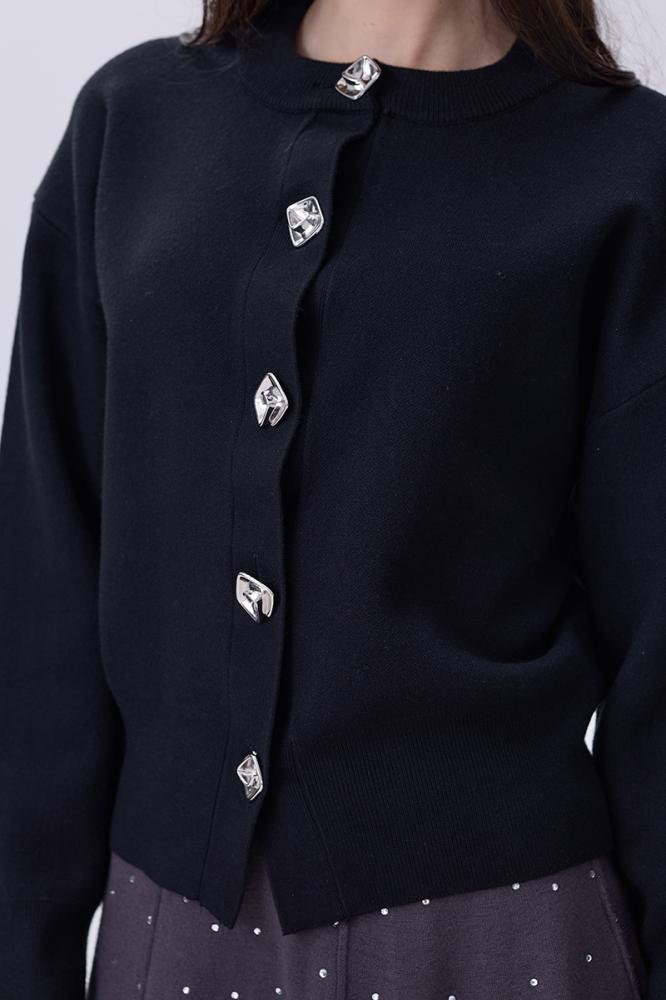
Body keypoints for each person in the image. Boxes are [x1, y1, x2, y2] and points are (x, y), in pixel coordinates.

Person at [1, 0, 664, 996]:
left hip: (508, 942)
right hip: (170, 943)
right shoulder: (132, 122)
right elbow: (41, 610)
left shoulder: (628, 170)